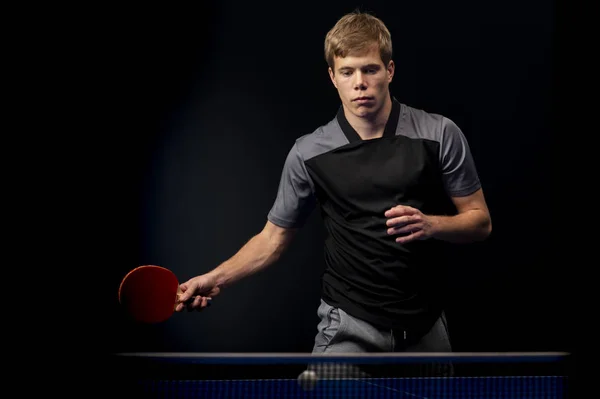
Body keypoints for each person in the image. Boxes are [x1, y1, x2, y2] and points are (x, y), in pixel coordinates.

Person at [175, 11, 492, 358]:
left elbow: (480, 222)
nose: (360, 82)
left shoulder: (439, 133)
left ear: (389, 71)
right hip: (349, 325)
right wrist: (214, 278)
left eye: (370, 69)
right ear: (333, 77)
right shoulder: (308, 152)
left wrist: (432, 224)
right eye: (348, 71)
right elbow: (271, 239)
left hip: (425, 327)